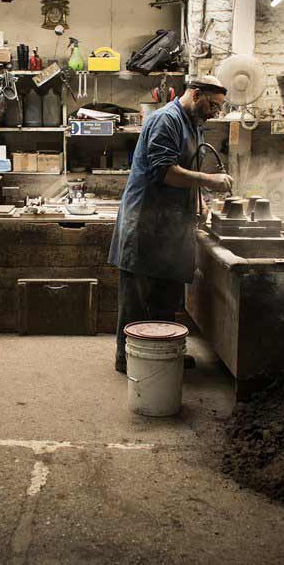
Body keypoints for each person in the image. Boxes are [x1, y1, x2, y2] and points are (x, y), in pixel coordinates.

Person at [107, 76, 234, 373]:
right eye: (213, 105)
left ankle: (162, 353)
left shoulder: (192, 123)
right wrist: (210, 181)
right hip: (146, 221)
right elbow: (164, 171)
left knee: (166, 295)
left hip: (170, 225)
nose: (215, 112)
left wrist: (199, 201)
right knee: (137, 300)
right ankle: (129, 359)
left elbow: (187, 169)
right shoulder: (167, 120)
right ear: (197, 93)